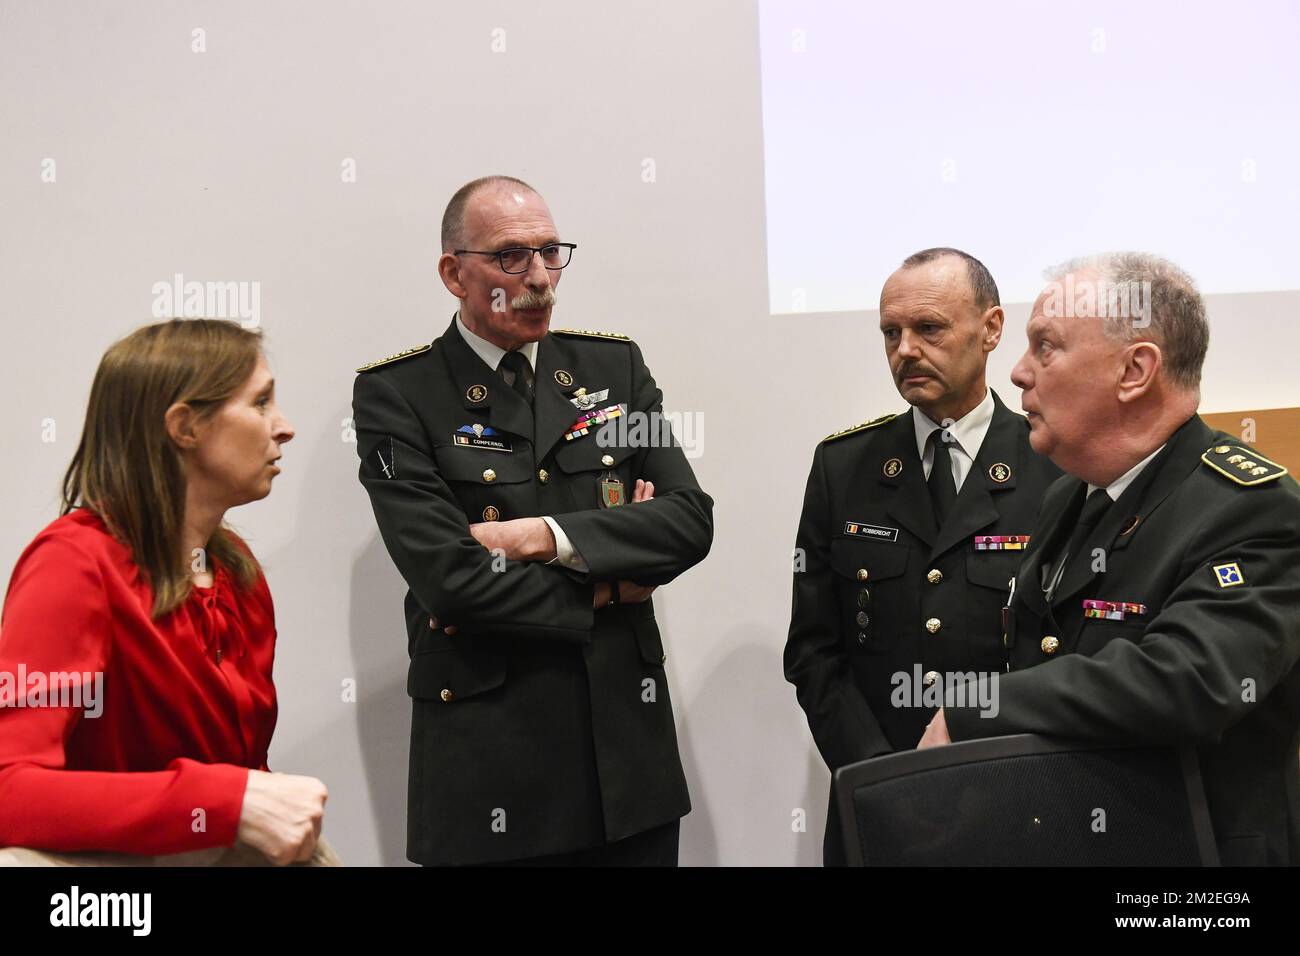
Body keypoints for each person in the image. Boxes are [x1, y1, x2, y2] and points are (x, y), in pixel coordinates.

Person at [351, 175, 713, 866]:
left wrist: (543, 538)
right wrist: (609, 584)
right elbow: (452, 581)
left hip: (625, 768)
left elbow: (688, 521)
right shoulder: (399, 394)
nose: (541, 279)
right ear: (454, 274)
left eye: (552, 253)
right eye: (512, 258)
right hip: (491, 763)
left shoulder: (614, 367)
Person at [919, 252, 1300, 866]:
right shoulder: (1071, 493)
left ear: (1135, 370)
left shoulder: (1253, 509)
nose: (1018, 373)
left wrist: (979, 709)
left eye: (1046, 347)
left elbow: (1187, 680)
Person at [0, 319, 334, 867]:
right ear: (185, 427)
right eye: (260, 403)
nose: (284, 427)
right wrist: (223, 801)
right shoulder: (73, 563)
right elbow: (9, 790)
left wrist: (243, 804)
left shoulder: (236, 570)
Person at [784, 248, 1061, 864]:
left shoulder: (1055, 466)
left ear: (991, 329)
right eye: (891, 332)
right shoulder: (844, 466)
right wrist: (882, 775)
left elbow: (1066, 656)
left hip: (1018, 804)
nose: (905, 349)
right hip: (880, 806)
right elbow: (813, 651)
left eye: (928, 329)